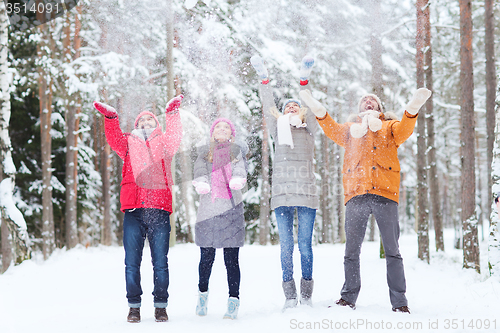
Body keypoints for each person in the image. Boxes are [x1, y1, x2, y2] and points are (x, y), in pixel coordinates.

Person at [299, 86, 431, 313]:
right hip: (356, 194)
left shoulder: (389, 127)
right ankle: (348, 297)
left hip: (385, 194)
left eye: (373, 101)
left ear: (380, 108)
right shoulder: (350, 130)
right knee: (351, 251)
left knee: (393, 251)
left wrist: (412, 109)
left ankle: (399, 302)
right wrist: (317, 108)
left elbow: (405, 129)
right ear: (359, 108)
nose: (368, 103)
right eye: (364, 101)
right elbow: (330, 128)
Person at [93, 95, 183, 323]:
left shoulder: (163, 143)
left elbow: (175, 136)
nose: (145, 124)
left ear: (156, 125)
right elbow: (113, 138)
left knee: (160, 263)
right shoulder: (128, 143)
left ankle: (160, 306)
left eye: (150, 121)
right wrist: (111, 117)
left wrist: (172, 113)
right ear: (136, 126)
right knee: (132, 263)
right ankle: (134, 307)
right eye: (141, 121)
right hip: (134, 210)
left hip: (159, 209)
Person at [251, 55, 319, 310]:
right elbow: (266, 102)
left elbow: (310, 105)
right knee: (286, 247)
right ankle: (290, 295)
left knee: (305, 246)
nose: (291, 109)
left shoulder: (308, 129)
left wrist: (304, 81)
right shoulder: (277, 130)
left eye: (295, 106)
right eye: (287, 106)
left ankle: (307, 292)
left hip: (306, 194)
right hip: (281, 195)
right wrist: (263, 78)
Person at [192, 118, 247, 320]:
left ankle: (233, 301)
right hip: (208, 210)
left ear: (232, 134)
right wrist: (201, 182)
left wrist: (237, 179)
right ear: (212, 133)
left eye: (226, 127)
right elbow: (198, 172)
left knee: (231, 260)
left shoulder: (237, 153)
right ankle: (202, 297)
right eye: (218, 127)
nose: (222, 129)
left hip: (231, 210)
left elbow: (241, 169)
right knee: (206, 258)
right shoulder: (203, 154)